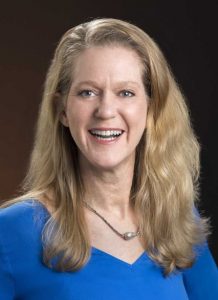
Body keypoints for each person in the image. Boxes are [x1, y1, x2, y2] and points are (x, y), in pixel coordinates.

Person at [0, 18, 217, 300]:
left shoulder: (177, 218)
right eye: (87, 92)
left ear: (151, 110)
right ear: (62, 110)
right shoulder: (11, 231)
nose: (105, 110)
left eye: (126, 93)